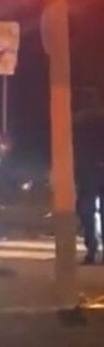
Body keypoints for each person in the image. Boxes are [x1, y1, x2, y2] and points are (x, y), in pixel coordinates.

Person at [73, 111, 104, 264]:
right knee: (87, 212)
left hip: (87, 173)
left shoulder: (80, 125)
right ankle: (92, 249)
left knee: (87, 212)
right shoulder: (82, 125)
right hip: (88, 172)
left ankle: (92, 250)